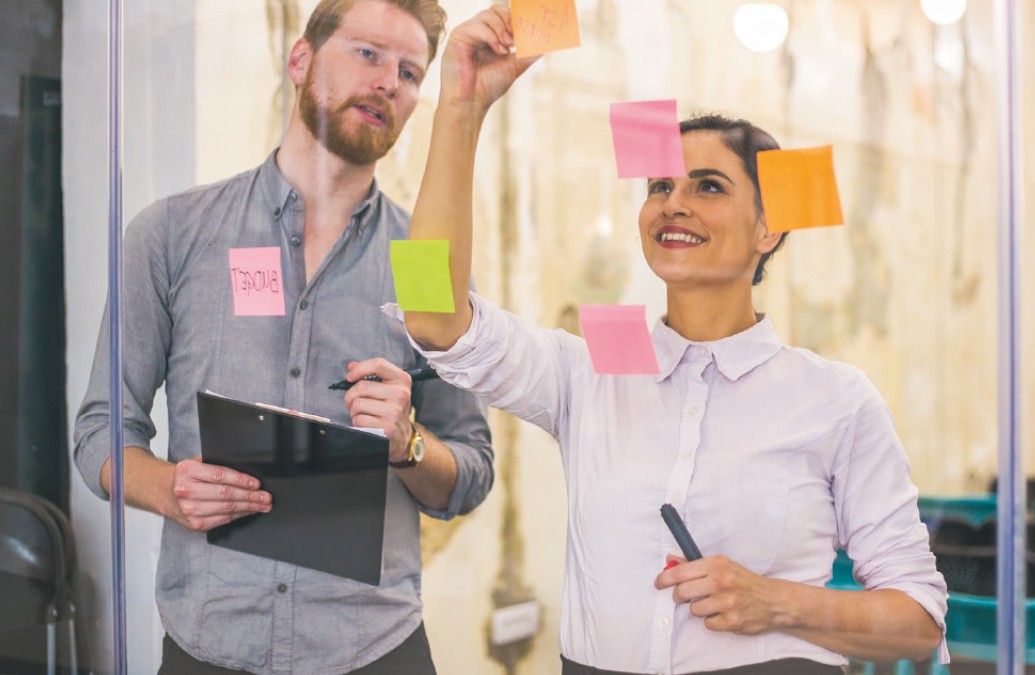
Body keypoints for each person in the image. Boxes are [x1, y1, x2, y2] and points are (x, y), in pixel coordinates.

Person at [400, 6, 948, 674]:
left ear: (769, 227)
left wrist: (777, 602)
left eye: (708, 186)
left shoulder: (834, 397)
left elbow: (919, 621)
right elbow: (430, 317)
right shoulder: (590, 373)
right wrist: (460, 110)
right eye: (660, 185)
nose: (673, 203)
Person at [72, 1, 495, 673]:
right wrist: (165, 487)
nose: (388, 81)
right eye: (368, 53)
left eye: (410, 72)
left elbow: (470, 472)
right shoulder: (175, 234)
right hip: (210, 640)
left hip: (373, 646)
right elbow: (100, 430)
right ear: (300, 60)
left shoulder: (422, 262)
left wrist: (409, 442)